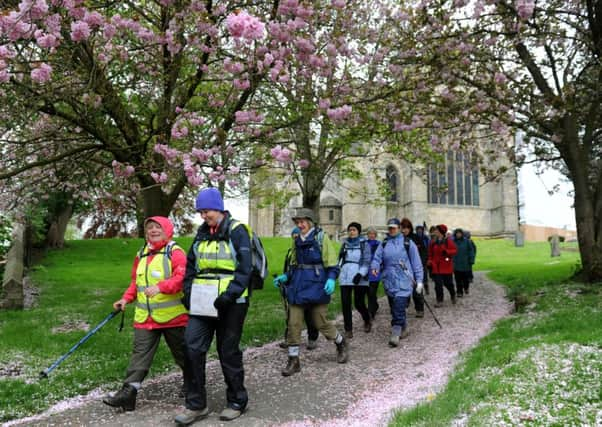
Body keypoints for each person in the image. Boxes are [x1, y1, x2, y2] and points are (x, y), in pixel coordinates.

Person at [175, 188, 252, 425]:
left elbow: (245, 268)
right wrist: (188, 293)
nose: (203, 216)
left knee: (227, 351)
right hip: (203, 301)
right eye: (200, 211)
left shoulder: (237, 230)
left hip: (232, 302)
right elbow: (190, 267)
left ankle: (237, 401)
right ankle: (196, 404)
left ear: (218, 208)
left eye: (206, 211)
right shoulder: (201, 234)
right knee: (191, 346)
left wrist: (230, 295)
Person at [103, 216, 188, 412]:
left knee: (183, 355)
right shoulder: (141, 254)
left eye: (158, 227)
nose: (153, 230)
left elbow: (182, 278)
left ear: (167, 230)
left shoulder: (175, 252)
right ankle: (128, 394)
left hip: (173, 317)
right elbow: (135, 282)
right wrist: (125, 299)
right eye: (149, 228)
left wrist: (161, 287)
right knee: (139, 356)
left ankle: (192, 384)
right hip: (145, 318)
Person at [273, 208, 349, 376]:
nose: (300, 225)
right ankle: (294, 361)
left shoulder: (321, 238)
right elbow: (294, 264)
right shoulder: (296, 240)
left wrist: (331, 279)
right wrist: (286, 276)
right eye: (297, 222)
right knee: (294, 323)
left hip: (317, 286)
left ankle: (340, 342)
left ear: (310, 222)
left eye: (302, 222)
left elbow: (332, 264)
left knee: (319, 322)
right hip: (298, 286)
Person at [371, 218, 423, 347]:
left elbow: (416, 263)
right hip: (389, 280)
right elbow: (377, 258)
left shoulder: (408, 243)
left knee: (399, 305)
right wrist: (375, 267)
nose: (391, 230)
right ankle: (403, 327)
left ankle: (395, 332)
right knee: (394, 307)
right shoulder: (384, 243)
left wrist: (420, 281)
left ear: (399, 228)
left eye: (394, 227)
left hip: (405, 279)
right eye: (389, 228)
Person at [278, 227, 319, 350]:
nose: (296, 238)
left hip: (306, 285)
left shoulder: (307, 251)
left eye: (297, 236)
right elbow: (288, 269)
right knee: (291, 314)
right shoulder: (291, 252)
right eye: (294, 236)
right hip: (292, 286)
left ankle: (312, 339)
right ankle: (290, 339)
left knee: (309, 314)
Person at [337, 222, 372, 338]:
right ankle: (348, 329)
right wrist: (338, 270)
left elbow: (367, 261)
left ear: (358, 231)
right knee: (345, 304)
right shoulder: (344, 244)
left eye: (354, 230)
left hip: (359, 277)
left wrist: (360, 274)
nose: (351, 232)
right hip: (345, 277)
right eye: (350, 230)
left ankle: (367, 320)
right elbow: (340, 260)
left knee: (359, 303)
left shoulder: (364, 244)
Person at [400, 218, 425, 318]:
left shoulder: (415, 238)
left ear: (410, 228)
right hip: (403, 269)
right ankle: (403, 304)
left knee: (417, 291)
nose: (404, 230)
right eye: (403, 228)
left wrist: (422, 263)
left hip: (415, 267)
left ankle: (419, 309)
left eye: (406, 228)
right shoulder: (399, 239)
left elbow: (423, 252)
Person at [427, 224, 457, 307]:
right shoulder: (433, 242)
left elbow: (454, 250)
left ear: (441, 232)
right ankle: (439, 300)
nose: (435, 231)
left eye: (437, 230)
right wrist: (430, 261)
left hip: (446, 267)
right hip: (436, 267)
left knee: (448, 283)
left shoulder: (448, 241)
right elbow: (430, 253)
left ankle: (453, 294)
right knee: (438, 285)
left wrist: (446, 251)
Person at [452, 228, 475, 297]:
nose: (458, 235)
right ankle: (459, 292)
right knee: (457, 279)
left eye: (459, 233)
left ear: (462, 234)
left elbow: (471, 251)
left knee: (465, 279)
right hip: (456, 263)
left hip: (465, 263)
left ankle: (466, 287)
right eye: (457, 233)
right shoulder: (453, 242)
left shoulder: (467, 241)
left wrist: (471, 260)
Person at [365, 226, 381, 319]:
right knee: (368, 292)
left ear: (375, 235)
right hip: (366, 271)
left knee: (372, 291)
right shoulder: (364, 244)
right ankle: (375, 305)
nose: (371, 235)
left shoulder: (379, 244)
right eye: (369, 234)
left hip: (375, 271)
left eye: (373, 234)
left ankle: (371, 312)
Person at [414, 224, 431, 295]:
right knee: (415, 276)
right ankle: (417, 290)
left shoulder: (426, 238)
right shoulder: (414, 237)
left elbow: (428, 248)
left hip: (424, 258)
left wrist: (427, 258)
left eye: (420, 229)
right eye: (418, 230)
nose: (419, 231)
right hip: (416, 258)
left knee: (424, 275)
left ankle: (426, 288)